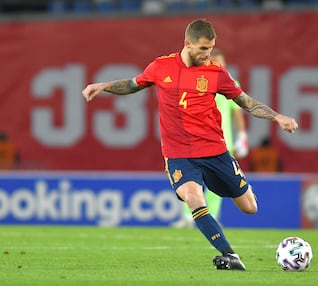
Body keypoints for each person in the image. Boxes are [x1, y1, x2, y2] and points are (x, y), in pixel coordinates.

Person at [82, 18, 298, 271]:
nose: (208, 54)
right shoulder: (161, 67)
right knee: (194, 197)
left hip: (215, 152)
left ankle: (226, 193)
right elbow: (132, 84)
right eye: (203, 49)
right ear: (188, 44)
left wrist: (277, 116)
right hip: (178, 155)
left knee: (249, 207)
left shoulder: (216, 73)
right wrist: (103, 86)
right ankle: (229, 254)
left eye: (211, 48)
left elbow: (246, 102)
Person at [171, 48, 248, 228]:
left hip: (222, 141)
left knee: (218, 182)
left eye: (222, 63)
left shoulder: (230, 83)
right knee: (191, 177)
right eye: (216, 62)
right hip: (197, 139)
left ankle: (212, 215)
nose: (220, 66)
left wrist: (242, 136)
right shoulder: (197, 82)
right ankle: (189, 216)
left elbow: (237, 113)